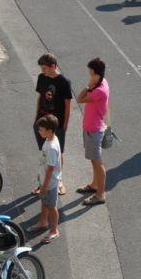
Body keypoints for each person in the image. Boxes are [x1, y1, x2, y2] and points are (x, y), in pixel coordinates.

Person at [35, 53, 73, 195]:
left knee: (58, 152)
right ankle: (42, 181)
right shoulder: (42, 78)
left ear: (53, 66)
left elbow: (68, 105)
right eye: (41, 68)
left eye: (44, 68)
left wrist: (65, 124)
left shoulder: (64, 82)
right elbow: (40, 97)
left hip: (57, 123)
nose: (42, 71)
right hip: (42, 120)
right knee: (44, 151)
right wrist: (36, 118)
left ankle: (59, 180)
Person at [75, 58, 110, 206]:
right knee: (94, 161)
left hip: (93, 130)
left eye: (90, 72)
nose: (89, 75)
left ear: (95, 73)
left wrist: (88, 87)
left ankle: (100, 195)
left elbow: (79, 98)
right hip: (92, 128)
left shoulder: (99, 90)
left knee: (97, 162)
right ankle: (95, 185)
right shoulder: (103, 82)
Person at [35, 114, 62, 244]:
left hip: (49, 183)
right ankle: (43, 222)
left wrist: (44, 186)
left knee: (51, 206)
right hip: (44, 180)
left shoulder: (51, 147)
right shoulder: (50, 139)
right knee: (44, 202)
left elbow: (51, 169)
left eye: (41, 129)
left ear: (50, 130)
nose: (39, 131)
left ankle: (54, 230)